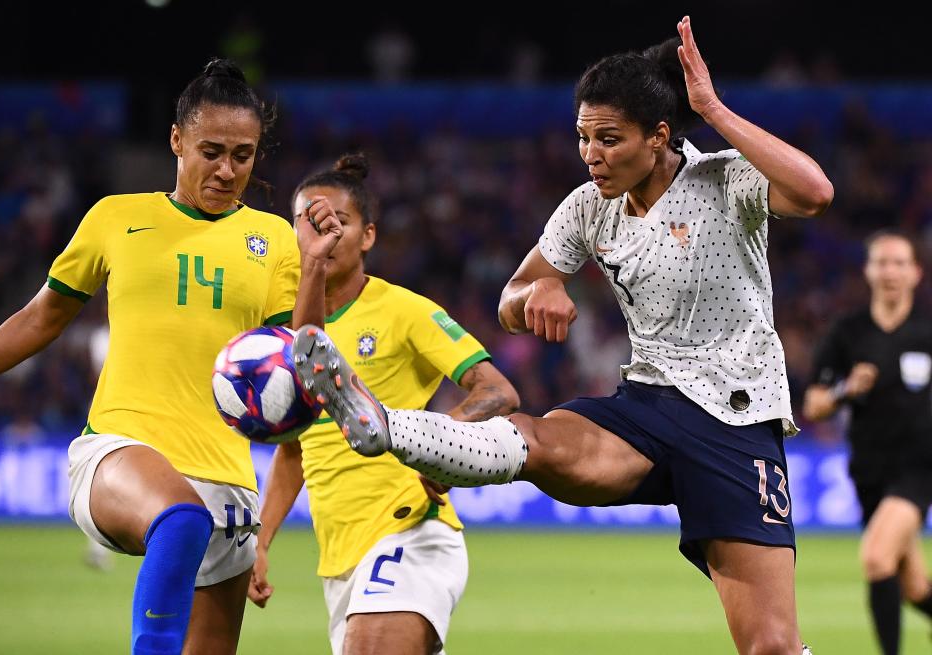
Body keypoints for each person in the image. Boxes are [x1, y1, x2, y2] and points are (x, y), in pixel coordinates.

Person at [292, 16, 832, 655]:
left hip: (736, 423)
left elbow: (816, 192)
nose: (592, 155)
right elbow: (511, 299)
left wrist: (710, 107)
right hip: (649, 408)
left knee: (770, 646)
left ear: (658, 137)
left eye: (609, 139)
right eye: (583, 138)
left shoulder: (725, 180)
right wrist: (539, 291)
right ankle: (383, 425)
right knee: (539, 440)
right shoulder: (586, 205)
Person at [0, 58, 342, 655]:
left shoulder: (276, 240)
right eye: (211, 151)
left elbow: (301, 361)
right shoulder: (117, 218)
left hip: (229, 485)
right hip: (120, 450)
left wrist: (316, 266)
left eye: (242, 156)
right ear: (176, 140)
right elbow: (40, 317)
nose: (227, 170)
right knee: (180, 518)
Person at [247, 153, 519, 655]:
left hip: (410, 533)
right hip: (340, 561)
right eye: (310, 225)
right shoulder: (286, 335)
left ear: (368, 236)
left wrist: (445, 442)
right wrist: (259, 544)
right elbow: (293, 451)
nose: (324, 237)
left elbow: (497, 391)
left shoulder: (403, 311)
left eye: (339, 223)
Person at [804, 230, 932, 655]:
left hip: (919, 467)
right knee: (913, 586)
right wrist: (845, 390)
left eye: (899, 263)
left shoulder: (928, 330)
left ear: (915, 272)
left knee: (877, 557)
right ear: (868, 271)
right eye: (881, 262)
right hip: (868, 470)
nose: (890, 271)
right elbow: (815, 405)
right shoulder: (848, 333)